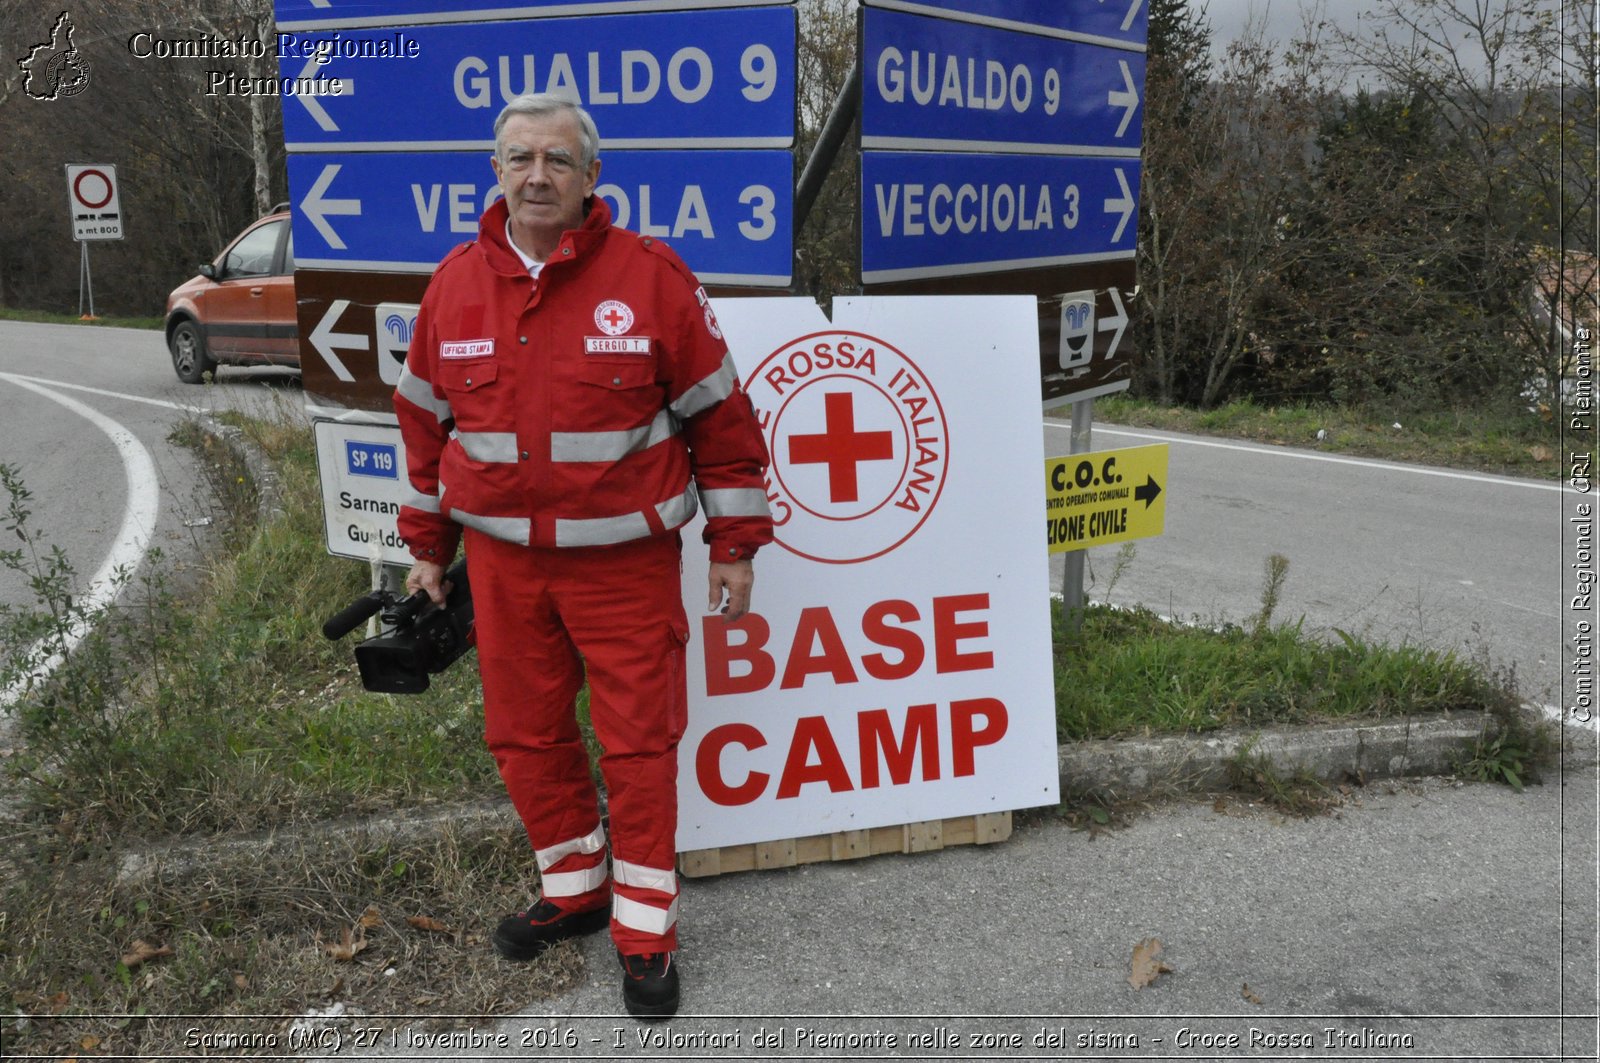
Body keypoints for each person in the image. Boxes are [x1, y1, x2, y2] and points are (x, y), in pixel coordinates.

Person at [392, 92, 773, 1020]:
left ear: (592, 175)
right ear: (495, 172)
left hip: (625, 568)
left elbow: (722, 419)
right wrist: (426, 551)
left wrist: (734, 543)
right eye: (519, 158)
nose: (537, 175)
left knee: (639, 746)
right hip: (505, 569)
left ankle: (645, 935)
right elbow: (425, 431)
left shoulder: (651, 278)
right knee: (524, 736)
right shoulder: (453, 285)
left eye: (557, 160)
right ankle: (577, 890)